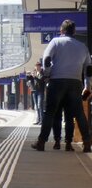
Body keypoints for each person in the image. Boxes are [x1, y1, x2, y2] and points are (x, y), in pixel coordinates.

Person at [31, 19, 92, 152]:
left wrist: (47, 75)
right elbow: (88, 68)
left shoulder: (55, 42)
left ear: (61, 31)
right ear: (74, 32)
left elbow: (47, 59)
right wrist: (87, 85)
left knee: (50, 113)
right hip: (75, 83)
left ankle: (41, 142)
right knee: (79, 114)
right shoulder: (82, 47)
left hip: (57, 81)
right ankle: (87, 143)